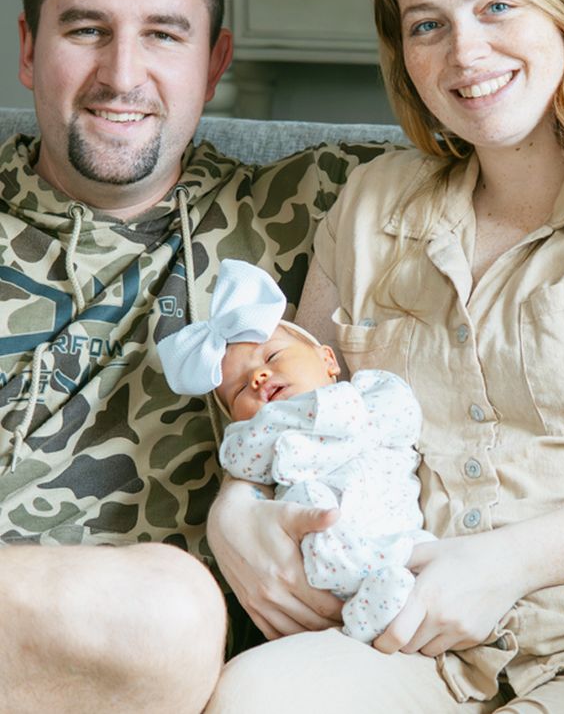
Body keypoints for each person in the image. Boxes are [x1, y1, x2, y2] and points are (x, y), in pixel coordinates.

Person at [203, 0, 564, 713]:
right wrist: (234, 508)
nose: (465, 54)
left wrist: (509, 561)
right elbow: (294, 395)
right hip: (406, 639)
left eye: (496, 6)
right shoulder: (370, 203)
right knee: (257, 695)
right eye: (427, 25)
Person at [0, 0, 372, 714]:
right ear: (29, 49)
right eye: (85, 29)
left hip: (157, 650)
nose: (122, 75)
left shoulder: (319, 204)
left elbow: (526, 132)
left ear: (214, 58)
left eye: (163, 35)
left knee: (169, 612)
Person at [158, 259, 436, 644]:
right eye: (239, 391)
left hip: (400, 533)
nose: (258, 377)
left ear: (328, 359)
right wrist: (268, 424)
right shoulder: (254, 441)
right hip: (327, 553)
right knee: (310, 512)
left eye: (272, 357)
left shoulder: (370, 391)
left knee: (424, 565)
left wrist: (294, 419)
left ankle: (377, 610)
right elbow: (239, 457)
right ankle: (360, 616)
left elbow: (400, 413)